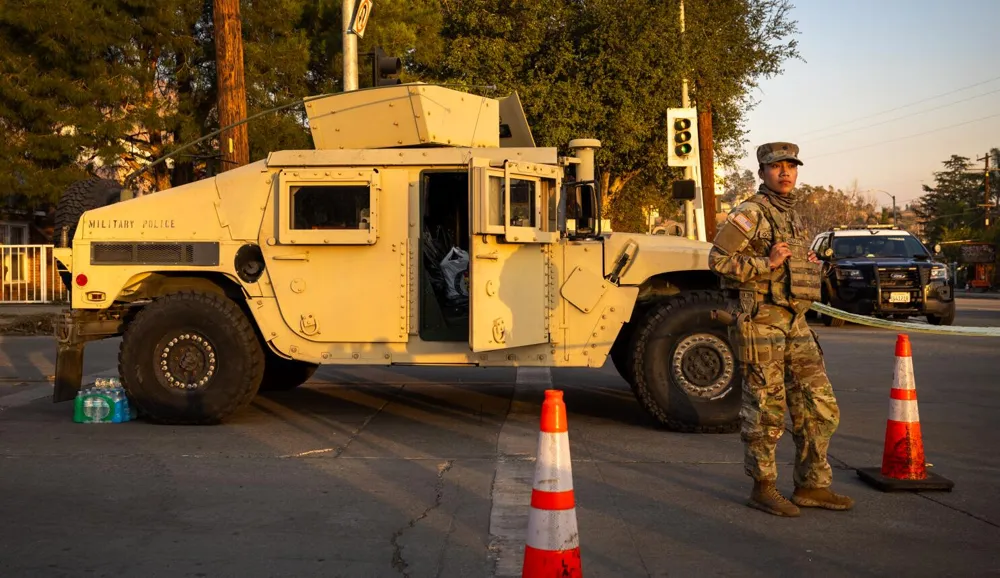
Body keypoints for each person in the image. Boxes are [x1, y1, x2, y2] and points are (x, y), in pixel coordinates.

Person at [708, 142, 855, 517]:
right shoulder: (750, 213)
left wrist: (806, 263)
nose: (785, 172)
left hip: (795, 321)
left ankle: (812, 485)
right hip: (761, 323)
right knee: (765, 409)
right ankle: (763, 487)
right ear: (762, 173)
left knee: (819, 405)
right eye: (776, 167)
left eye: (791, 166)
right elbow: (717, 260)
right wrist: (765, 262)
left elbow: (791, 265)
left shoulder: (794, 217)